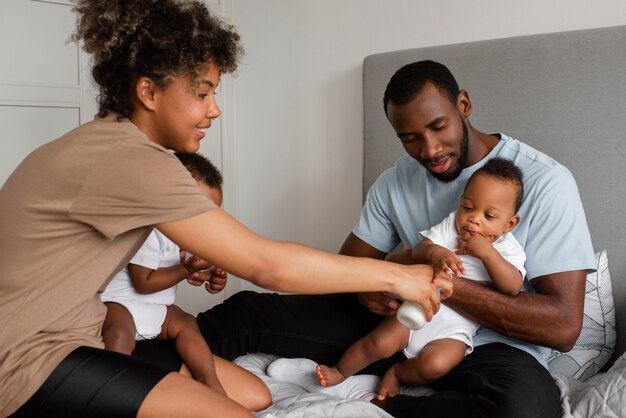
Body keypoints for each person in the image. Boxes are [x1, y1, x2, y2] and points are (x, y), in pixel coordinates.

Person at [0, 2, 452, 417]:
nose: (214, 110)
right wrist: (396, 274)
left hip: (81, 328)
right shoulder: (127, 159)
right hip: (26, 357)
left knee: (256, 395)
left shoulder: (118, 145)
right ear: (147, 92)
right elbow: (265, 264)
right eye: (202, 93)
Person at [196, 60, 596, 418]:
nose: (430, 149)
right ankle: (151, 370)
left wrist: (432, 280)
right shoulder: (395, 181)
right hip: (402, 323)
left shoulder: (544, 182)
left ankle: (380, 402)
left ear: (464, 105)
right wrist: (373, 285)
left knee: (525, 410)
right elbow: (346, 271)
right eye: (409, 138)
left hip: (493, 346)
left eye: (438, 126)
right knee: (245, 312)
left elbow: (562, 327)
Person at [276, 157, 527, 400]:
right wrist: (437, 253)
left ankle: (396, 373)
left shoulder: (507, 248)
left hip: (456, 327)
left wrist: (487, 253)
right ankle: (341, 372)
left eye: (489, 216)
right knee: (378, 343)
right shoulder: (451, 226)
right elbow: (420, 249)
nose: (474, 219)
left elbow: (512, 287)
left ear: (509, 224)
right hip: (418, 307)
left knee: (436, 365)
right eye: (468, 208)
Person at [100, 152, 232, 397]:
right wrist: (187, 269)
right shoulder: (149, 231)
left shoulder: (189, 235)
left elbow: (197, 266)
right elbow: (143, 283)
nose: (204, 222)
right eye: (197, 212)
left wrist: (213, 276)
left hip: (159, 306)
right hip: (120, 302)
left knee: (186, 322)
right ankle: (111, 388)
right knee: (118, 332)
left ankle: (209, 381)